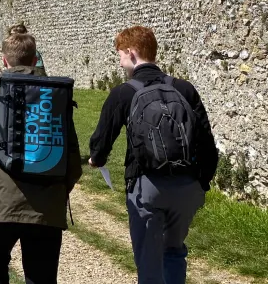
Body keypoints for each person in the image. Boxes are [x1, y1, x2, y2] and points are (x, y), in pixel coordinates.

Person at [89, 26, 218, 284]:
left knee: (148, 260)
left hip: (147, 185)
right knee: (174, 251)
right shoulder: (184, 88)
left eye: (120, 54)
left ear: (131, 52)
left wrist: (96, 159)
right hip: (187, 186)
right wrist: (202, 182)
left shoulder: (123, 92)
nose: (120, 60)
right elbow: (206, 142)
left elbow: (101, 143)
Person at [0, 33, 82, 284]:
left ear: (4, 61)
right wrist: (58, 192)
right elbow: (73, 160)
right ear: (35, 60)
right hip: (46, 206)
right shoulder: (55, 98)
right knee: (41, 275)